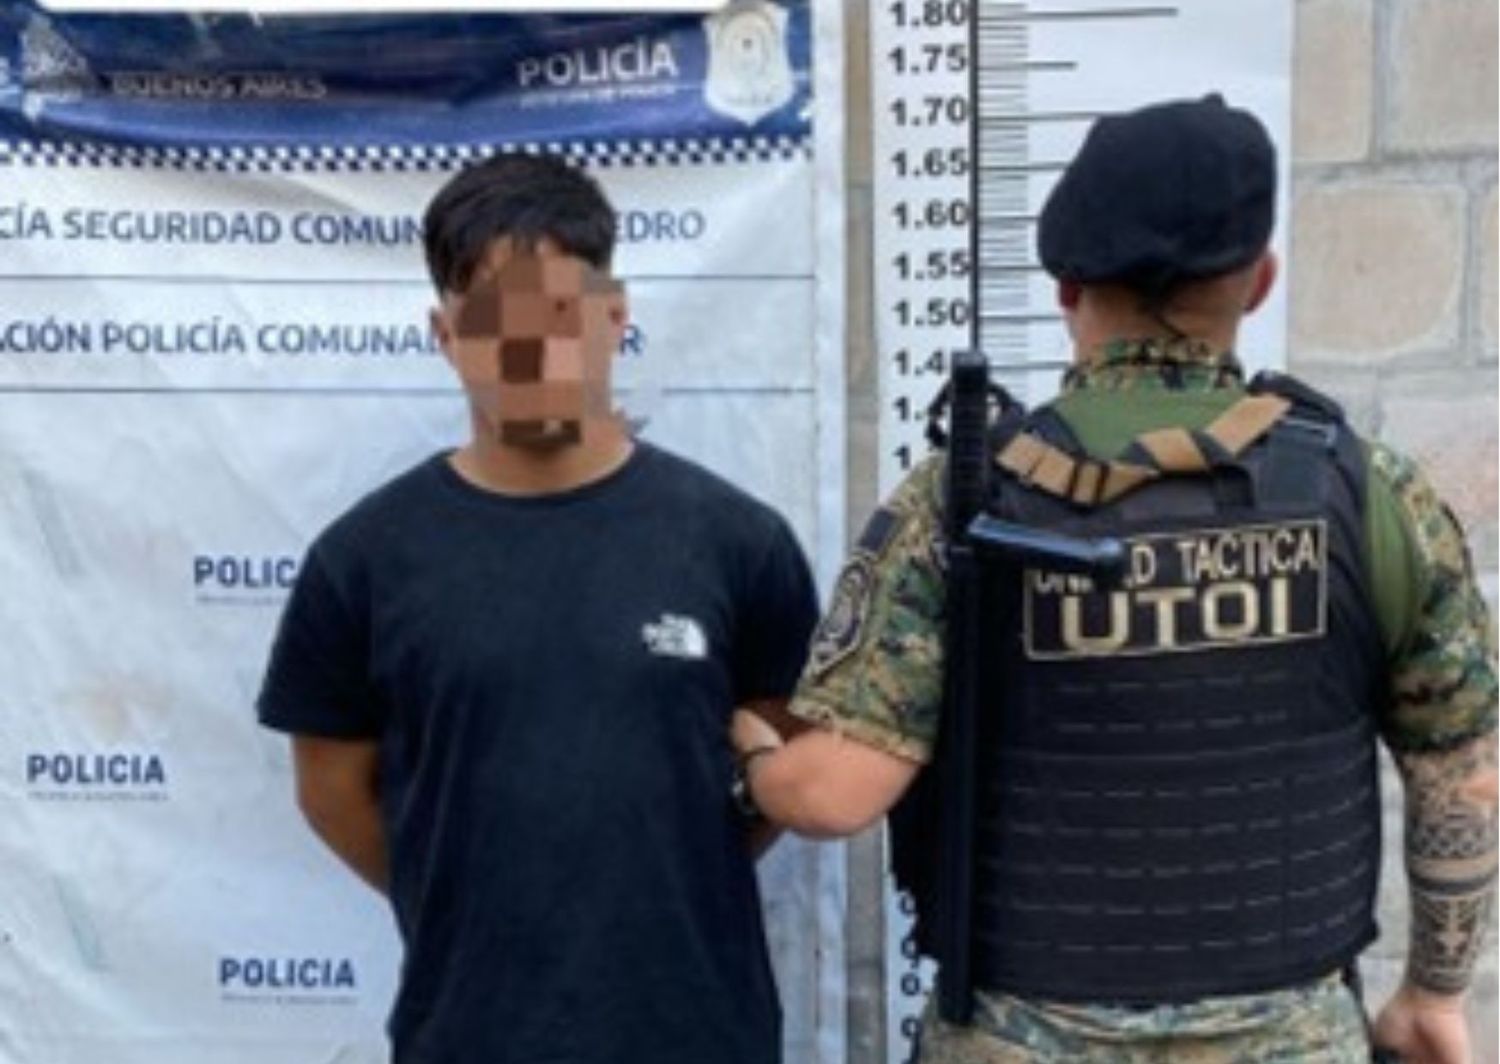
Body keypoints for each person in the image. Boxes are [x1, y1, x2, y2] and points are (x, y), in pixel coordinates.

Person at [733, 97, 1497, 1063]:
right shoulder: (1371, 492)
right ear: (1260, 282)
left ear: (1065, 286)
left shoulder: (960, 499)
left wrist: (753, 756)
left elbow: (835, 796)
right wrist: (1433, 992)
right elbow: (1463, 772)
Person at [257, 152, 819, 1064]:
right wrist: (469, 898)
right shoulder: (361, 564)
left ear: (614, 316)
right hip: (468, 1036)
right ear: (446, 334)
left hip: (699, 1035)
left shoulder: (738, 544)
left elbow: (784, 762)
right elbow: (332, 793)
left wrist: (666, 877)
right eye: (492, 317)